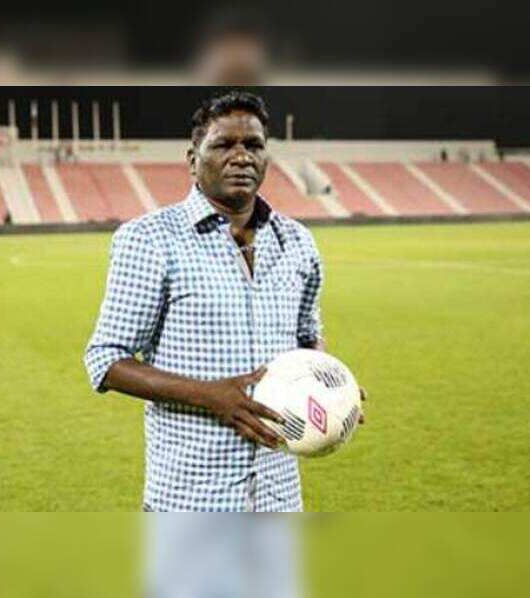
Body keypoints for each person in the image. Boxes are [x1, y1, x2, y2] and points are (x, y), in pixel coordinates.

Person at [84, 91, 362, 512]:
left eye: (253, 145)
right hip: (190, 499)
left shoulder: (298, 242)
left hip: (278, 496)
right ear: (193, 159)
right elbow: (105, 360)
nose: (241, 156)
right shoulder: (150, 239)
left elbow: (308, 339)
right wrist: (209, 395)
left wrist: (330, 387)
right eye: (223, 145)